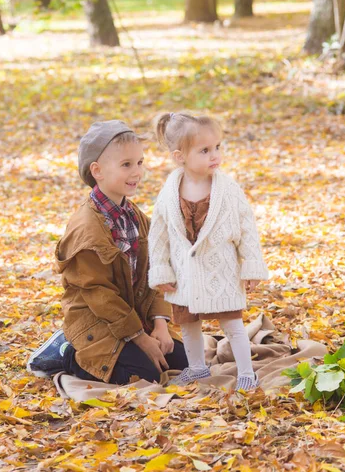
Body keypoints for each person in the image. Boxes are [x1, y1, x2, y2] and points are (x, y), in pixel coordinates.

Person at [27, 120, 188, 384]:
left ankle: (136, 346)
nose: (136, 172)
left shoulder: (134, 216)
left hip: (132, 317)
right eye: (126, 165)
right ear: (97, 171)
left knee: (184, 364)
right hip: (97, 322)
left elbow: (157, 268)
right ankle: (66, 352)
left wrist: (160, 324)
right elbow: (98, 294)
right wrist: (141, 339)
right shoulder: (86, 229)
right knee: (142, 376)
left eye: (140, 163)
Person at [148, 112, 269, 389]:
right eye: (204, 150)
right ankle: (198, 368)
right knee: (188, 324)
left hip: (220, 269)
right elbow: (159, 234)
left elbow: (246, 227)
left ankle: (246, 372)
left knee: (233, 324)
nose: (215, 155)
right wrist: (161, 269)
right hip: (184, 273)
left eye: (218, 147)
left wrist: (251, 264)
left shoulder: (227, 189)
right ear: (180, 156)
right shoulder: (169, 190)